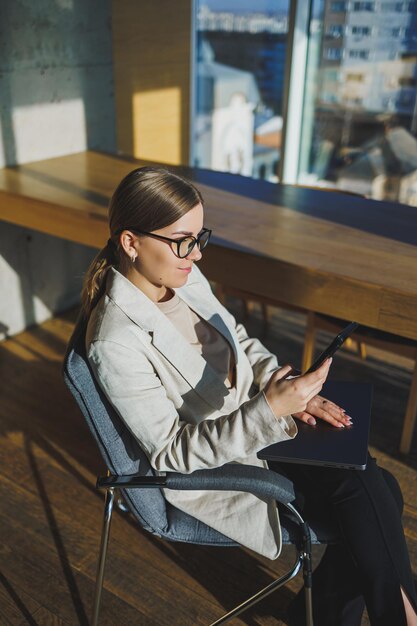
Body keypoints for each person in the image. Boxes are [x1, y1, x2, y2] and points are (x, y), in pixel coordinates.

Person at [82, 166, 417, 626]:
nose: (196, 255)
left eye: (200, 238)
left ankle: (335, 618)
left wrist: (290, 390)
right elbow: (171, 453)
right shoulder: (115, 341)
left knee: (375, 490)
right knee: (373, 495)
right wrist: (271, 408)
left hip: (264, 419)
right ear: (131, 242)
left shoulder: (183, 276)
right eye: (182, 240)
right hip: (226, 457)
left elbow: (237, 338)